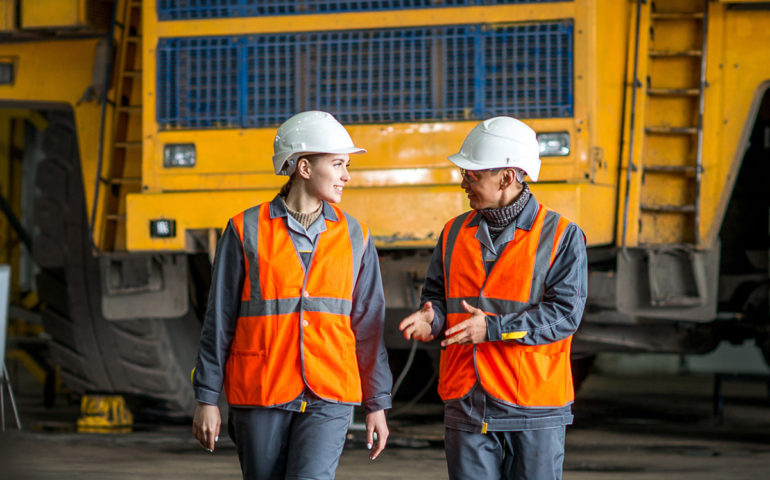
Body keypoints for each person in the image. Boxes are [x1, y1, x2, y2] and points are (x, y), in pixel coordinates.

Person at [192, 111, 392, 480]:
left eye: (346, 166)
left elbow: (368, 326)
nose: (346, 176)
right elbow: (219, 320)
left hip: (330, 392)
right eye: (338, 164)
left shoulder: (356, 236)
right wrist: (207, 398)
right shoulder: (245, 229)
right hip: (261, 389)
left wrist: (377, 403)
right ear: (304, 167)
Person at [399, 116, 587, 480]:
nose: (463, 182)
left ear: (507, 177)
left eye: (472, 174)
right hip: (467, 402)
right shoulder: (453, 232)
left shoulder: (561, 235)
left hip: (532, 406)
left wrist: (494, 329)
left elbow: (565, 315)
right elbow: (438, 297)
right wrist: (431, 319)